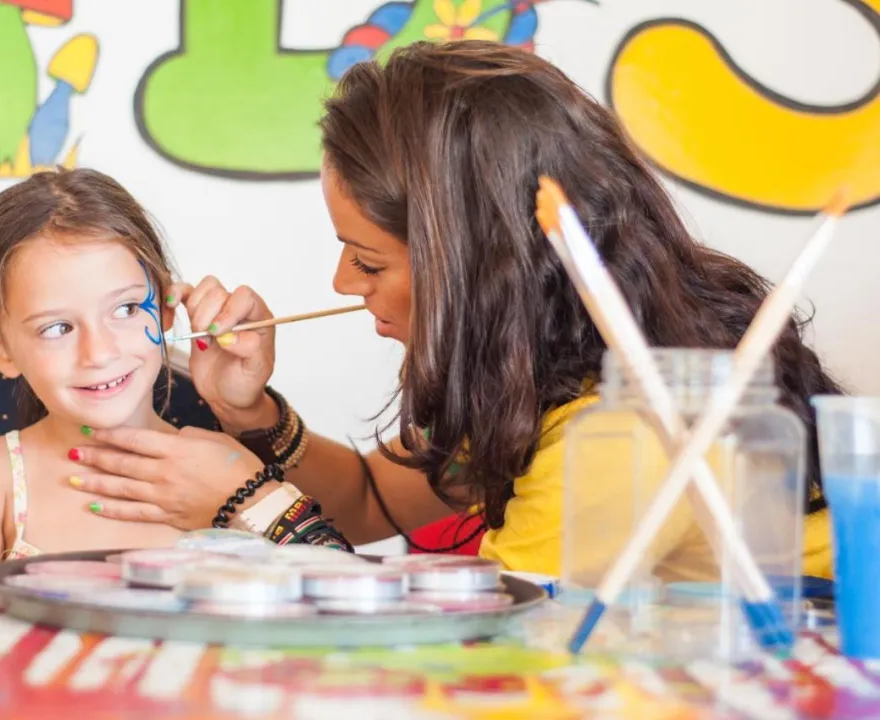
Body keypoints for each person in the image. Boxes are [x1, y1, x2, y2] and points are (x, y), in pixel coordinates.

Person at [65, 41, 839, 580]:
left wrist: (251, 500)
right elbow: (373, 499)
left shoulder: (622, 430)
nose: (342, 282)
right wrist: (251, 413)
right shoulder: (531, 370)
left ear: (480, 270)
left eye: (368, 260)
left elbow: (479, 647)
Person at [0, 168, 265, 562]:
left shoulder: (225, 475)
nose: (99, 353)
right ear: (1, 349)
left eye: (126, 308)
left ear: (166, 308)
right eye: (57, 328)